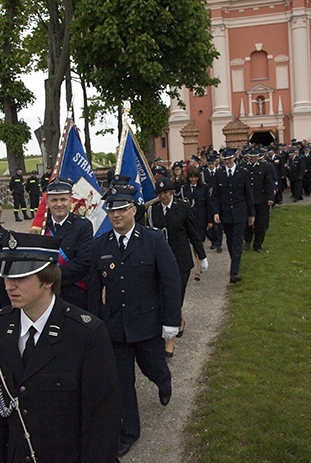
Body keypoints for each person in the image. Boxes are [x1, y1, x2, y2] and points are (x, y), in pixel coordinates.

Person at [0, 232, 121, 463]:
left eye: (21, 278)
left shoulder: (86, 333)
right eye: (7, 277)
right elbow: (3, 411)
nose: (9, 286)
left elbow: (102, 418)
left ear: (47, 280)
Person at [87, 181, 182, 457]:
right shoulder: (100, 246)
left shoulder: (153, 240)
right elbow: (95, 290)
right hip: (115, 328)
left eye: (122, 209)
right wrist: (96, 325)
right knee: (121, 382)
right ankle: (129, 431)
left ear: (134, 210)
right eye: (111, 210)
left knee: (153, 368)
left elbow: (171, 282)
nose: (116, 215)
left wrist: (170, 322)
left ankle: (164, 382)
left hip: (148, 325)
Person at [148, 176, 208, 357]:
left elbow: (193, 234)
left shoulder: (183, 208)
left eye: (166, 192)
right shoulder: (153, 210)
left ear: (172, 192)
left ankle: (170, 341)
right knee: (164, 295)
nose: (163, 196)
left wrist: (202, 257)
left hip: (180, 260)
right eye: (160, 194)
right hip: (161, 260)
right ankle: (178, 318)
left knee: (175, 295)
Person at [45, 178, 94, 309]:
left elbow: (83, 262)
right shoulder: (41, 227)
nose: (59, 204)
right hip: (45, 295)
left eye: (63, 199)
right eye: (54, 200)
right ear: (47, 202)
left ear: (71, 200)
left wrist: (48, 277)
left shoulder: (82, 226)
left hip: (74, 294)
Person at [211, 147, 255, 284]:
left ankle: (234, 272)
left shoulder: (243, 173)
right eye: (225, 160)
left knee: (237, 241)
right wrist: (216, 212)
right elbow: (215, 195)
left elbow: (249, 194)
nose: (227, 162)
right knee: (230, 241)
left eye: (229, 159)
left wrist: (251, 214)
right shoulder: (219, 174)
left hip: (240, 212)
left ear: (234, 158)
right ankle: (234, 263)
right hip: (226, 213)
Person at [243, 150, 275, 253]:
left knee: (260, 223)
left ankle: (257, 244)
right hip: (247, 200)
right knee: (247, 222)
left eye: (254, 157)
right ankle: (247, 240)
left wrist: (270, 197)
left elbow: (269, 183)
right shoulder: (243, 167)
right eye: (251, 157)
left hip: (261, 199)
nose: (252, 159)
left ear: (258, 157)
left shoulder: (264, 167)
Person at [202, 153, 223, 252]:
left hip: (217, 200)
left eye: (212, 163)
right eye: (209, 163)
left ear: (215, 162)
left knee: (218, 223)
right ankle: (213, 242)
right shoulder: (203, 173)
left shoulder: (219, 172)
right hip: (207, 200)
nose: (211, 165)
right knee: (209, 223)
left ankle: (219, 243)